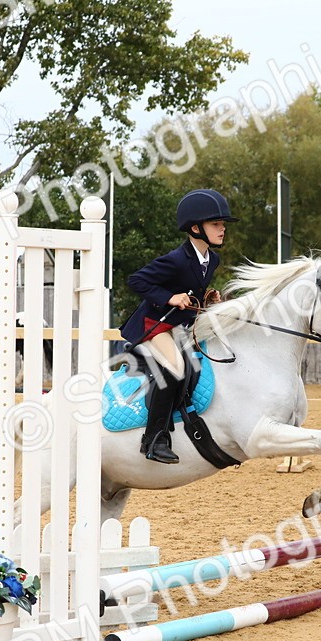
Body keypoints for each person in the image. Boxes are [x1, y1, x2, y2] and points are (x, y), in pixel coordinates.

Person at [119, 189, 236, 463]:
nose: (222, 229)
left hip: (178, 326)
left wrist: (207, 298)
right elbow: (136, 281)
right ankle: (154, 439)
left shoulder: (211, 260)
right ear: (196, 228)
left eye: (222, 225)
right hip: (153, 325)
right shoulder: (175, 260)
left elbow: (191, 291)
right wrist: (169, 297)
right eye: (216, 224)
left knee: (195, 366)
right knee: (175, 368)